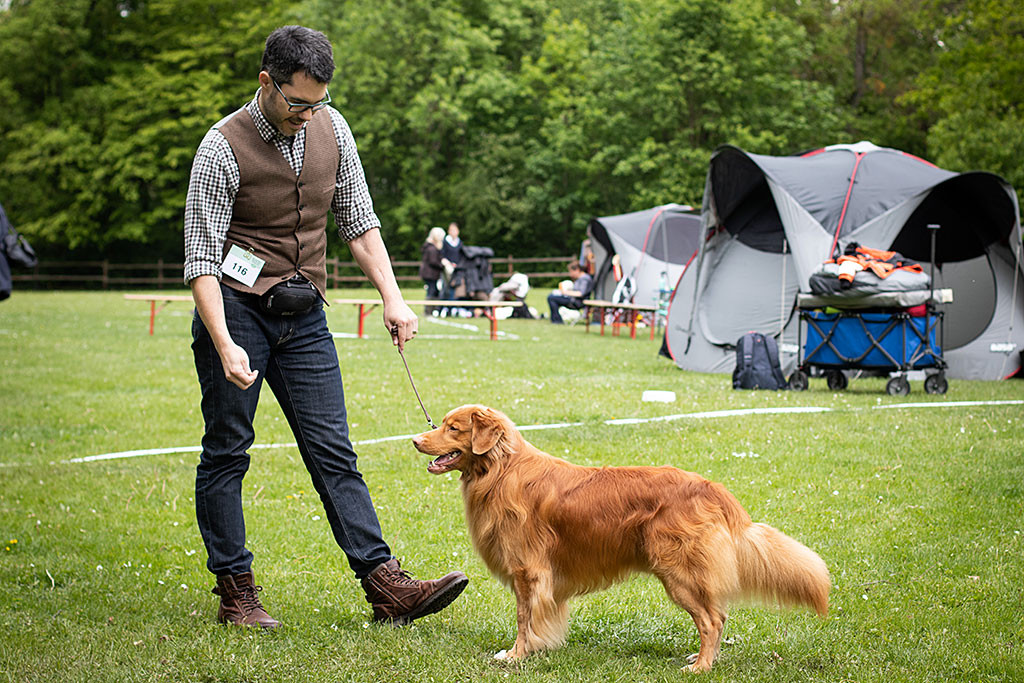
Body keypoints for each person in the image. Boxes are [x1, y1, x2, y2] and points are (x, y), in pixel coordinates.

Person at [183, 25, 467, 630]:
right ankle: (236, 591)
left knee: (334, 451)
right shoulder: (221, 146)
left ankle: (384, 585)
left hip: (304, 312)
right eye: (298, 103)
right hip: (236, 311)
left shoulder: (332, 131)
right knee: (228, 451)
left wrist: (393, 297)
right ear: (267, 82)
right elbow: (202, 261)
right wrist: (225, 342)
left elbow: (359, 222)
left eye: (320, 102)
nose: (310, 115)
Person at [419, 227, 445, 312]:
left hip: (428, 273)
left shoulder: (428, 246)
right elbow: (433, 261)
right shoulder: (432, 248)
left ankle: (433, 310)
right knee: (431, 291)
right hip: (430, 274)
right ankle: (428, 311)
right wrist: (443, 265)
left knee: (433, 291)